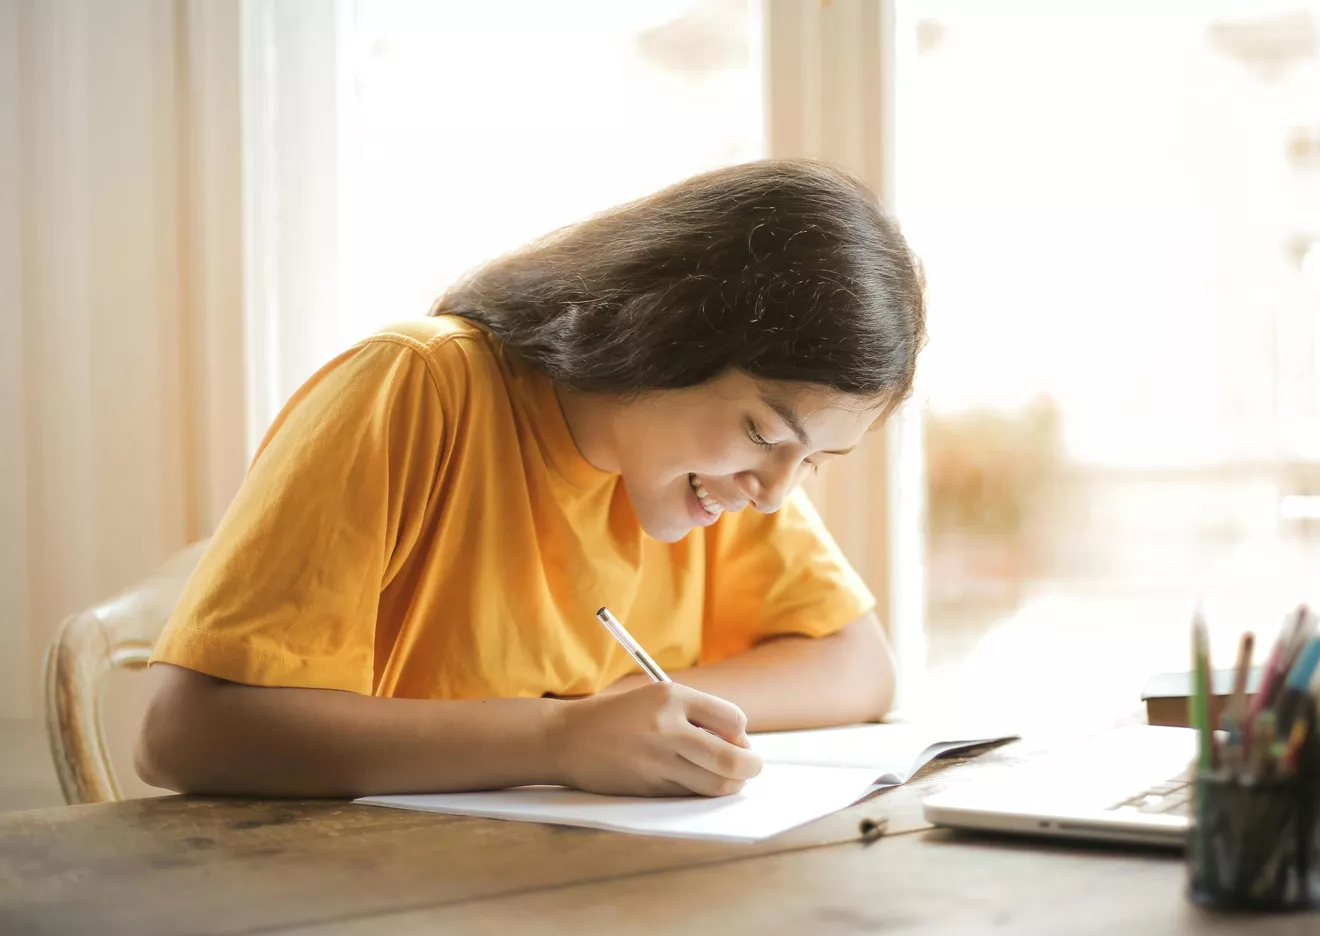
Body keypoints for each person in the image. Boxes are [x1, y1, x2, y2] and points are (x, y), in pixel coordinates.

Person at [135, 159, 926, 801]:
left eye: (813, 461)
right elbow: (183, 733)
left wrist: (637, 713)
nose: (777, 493)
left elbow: (859, 665)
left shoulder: (722, 477)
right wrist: (560, 740)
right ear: (663, 333)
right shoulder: (416, 387)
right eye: (763, 433)